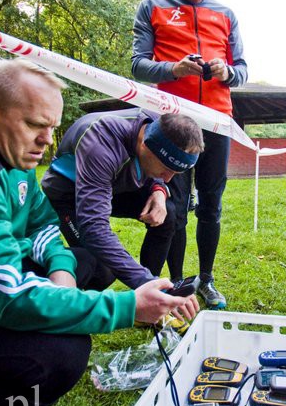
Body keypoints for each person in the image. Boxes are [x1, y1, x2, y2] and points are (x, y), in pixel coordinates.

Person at [0, 59, 198, 406]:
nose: (48, 140)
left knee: (89, 265)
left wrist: (61, 271)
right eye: (35, 124)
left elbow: (41, 224)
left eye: (52, 126)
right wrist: (128, 306)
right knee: (64, 354)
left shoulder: (11, 153)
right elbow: (5, 296)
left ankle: (62, 301)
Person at [131, 0, 247, 310]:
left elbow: (243, 70)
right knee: (175, 208)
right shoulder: (153, 6)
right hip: (174, 120)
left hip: (216, 120)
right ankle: (179, 280)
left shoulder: (226, 14)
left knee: (211, 204)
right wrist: (174, 68)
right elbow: (137, 64)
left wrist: (226, 72)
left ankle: (207, 279)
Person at [40, 109, 204, 331]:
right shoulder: (101, 143)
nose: (169, 178)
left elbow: (159, 176)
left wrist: (159, 189)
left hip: (115, 184)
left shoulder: (160, 127)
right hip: (70, 194)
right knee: (101, 268)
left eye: (176, 172)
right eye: (166, 170)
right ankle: (72, 311)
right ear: (145, 145)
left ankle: (147, 302)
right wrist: (144, 280)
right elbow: (94, 228)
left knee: (167, 215)